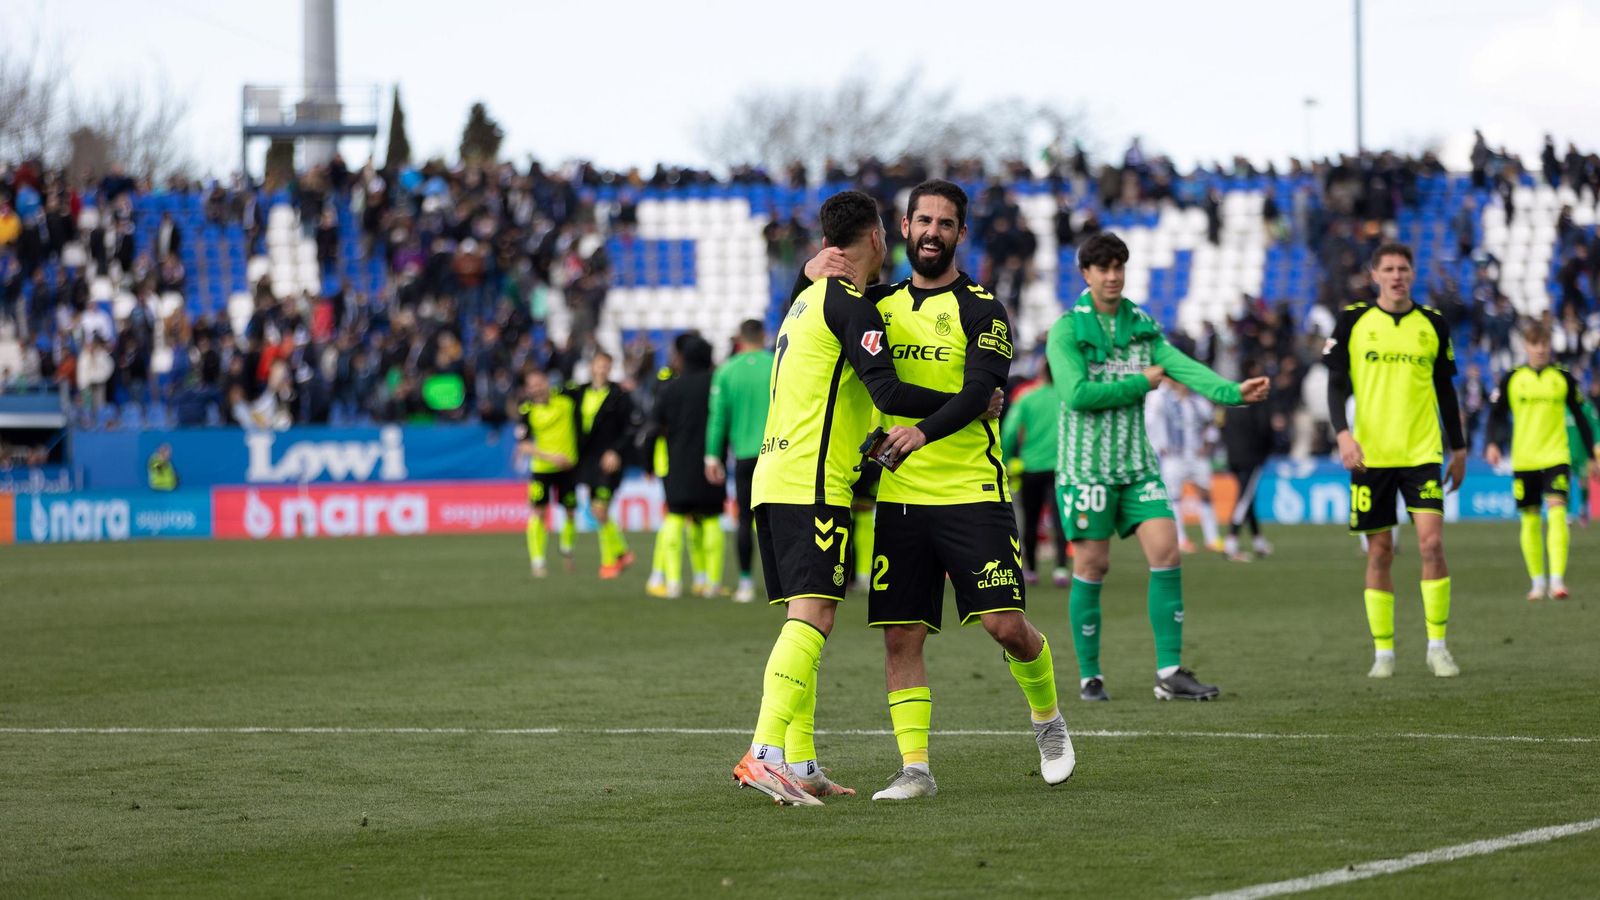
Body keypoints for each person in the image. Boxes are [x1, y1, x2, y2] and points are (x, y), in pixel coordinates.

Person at [822, 179, 1074, 800]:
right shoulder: (874, 305)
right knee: (901, 634)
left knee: (1005, 627)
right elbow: (812, 319)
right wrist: (810, 272)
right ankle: (916, 769)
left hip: (971, 491)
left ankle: (1048, 721)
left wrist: (921, 433)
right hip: (902, 499)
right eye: (922, 221)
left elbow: (981, 393)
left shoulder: (983, 308)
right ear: (903, 229)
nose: (932, 232)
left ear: (961, 234)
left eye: (945, 223)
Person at [732, 189, 980, 807]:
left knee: (805, 614)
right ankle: (763, 754)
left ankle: (800, 759)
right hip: (811, 482)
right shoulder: (850, 304)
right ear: (878, 238)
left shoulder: (804, 300)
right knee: (813, 616)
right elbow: (890, 393)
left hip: (775, 474)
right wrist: (968, 405)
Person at [1047, 232, 1269, 703]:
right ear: (1086, 274)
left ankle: (1169, 672)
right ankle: (1090, 676)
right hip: (1085, 469)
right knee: (1093, 564)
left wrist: (1231, 392)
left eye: (1119, 267)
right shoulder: (1066, 330)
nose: (1112, 276)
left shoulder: (1142, 325)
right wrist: (1139, 382)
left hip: (1137, 465)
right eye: (1102, 268)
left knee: (1167, 552)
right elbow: (1077, 395)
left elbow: (1180, 366)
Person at [1324, 242, 1468, 679]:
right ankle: (1383, 652)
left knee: (1431, 544)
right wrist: (1343, 435)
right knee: (1380, 552)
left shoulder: (1433, 325)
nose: (1396, 275)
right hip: (1371, 456)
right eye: (1388, 269)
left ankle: (1437, 646)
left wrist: (1458, 448)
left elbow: (1446, 390)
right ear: (1375, 275)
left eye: (1403, 268)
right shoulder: (1353, 320)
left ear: (1412, 273)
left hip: (1421, 452)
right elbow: (1334, 384)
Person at [1485, 325, 1598, 600]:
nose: (1540, 349)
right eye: (1535, 344)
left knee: (1558, 510)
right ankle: (1537, 582)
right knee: (1530, 518)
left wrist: (1593, 453)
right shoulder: (1513, 378)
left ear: (1550, 346)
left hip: (1556, 456)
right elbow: (1497, 414)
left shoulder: (1563, 378)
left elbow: (1581, 417)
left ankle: (1557, 581)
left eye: (1544, 344)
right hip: (1524, 459)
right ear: (1526, 346)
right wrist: (1492, 443)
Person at [704, 319, 775, 602]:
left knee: (745, 520)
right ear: (763, 335)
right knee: (779, 520)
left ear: (739, 339)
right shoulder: (778, 362)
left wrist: (712, 455)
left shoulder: (726, 371)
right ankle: (783, 583)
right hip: (777, 452)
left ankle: (745, 582)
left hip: (745, 455)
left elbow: (717, 417)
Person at [652, 334, 727, 598]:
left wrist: (648, 461)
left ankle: (672, 584)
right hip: (711, 461)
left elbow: (655, 425)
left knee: (674, 518)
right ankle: (712, 583)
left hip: (678, 463)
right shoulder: (717, 384)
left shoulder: (671, 388)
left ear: (683, 359)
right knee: (711, 519)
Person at [1002, 361, 1069, 586]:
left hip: (1030, 467)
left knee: (1030, 520)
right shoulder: (1066, 397)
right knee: (1060, 520)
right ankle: (1060, 568)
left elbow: (1010, 431)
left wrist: (1005, 460)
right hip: (1061, 467)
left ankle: (1030, 569)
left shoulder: (1027, 397)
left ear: (1040, 372)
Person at [574, 350, 637, 580]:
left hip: (609, 460)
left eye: (606, 366)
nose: (602, 369)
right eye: (599, 365)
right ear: (591, 367)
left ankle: (608, 562)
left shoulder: (619, 395)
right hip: (588, 460)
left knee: (600, 508)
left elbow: (631, 427)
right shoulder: (580, 392)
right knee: (596, 510)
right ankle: (622, 551)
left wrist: (616, 451)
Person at [1146, 377, 1223, 554]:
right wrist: (1159, 446)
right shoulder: (1163, 400)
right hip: (1174, 455)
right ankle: (1180, 539)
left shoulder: (1199, 402)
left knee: (1205, 493)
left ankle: (1212, 538)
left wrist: (1209, 444)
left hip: (1196, 454)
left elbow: (1211, 424)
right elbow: (1151, 423)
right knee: (1174, 497)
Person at [516, 369, 580, 578]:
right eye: (532, 385)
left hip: (568, 468)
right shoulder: (526, 411)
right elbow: (524, 446)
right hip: (542, 469)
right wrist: (552, 457)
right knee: (538, 513)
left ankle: (567, 551)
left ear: (546, 382)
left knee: (570, 512)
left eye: (539, 382)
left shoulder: (566, 400)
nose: (537, 387)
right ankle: (538, 561)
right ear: (528, 389)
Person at [1221, 357, 1275, 562]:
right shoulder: (1257, 395)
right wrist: (1268, 449)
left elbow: (1222, 425)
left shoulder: (1233, 393)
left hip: (1233, 455)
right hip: (1252, 455)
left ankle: (1259, 542)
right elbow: (1264, 427)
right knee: (1244, 499)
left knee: (1248, 497)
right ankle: (1231, 541)